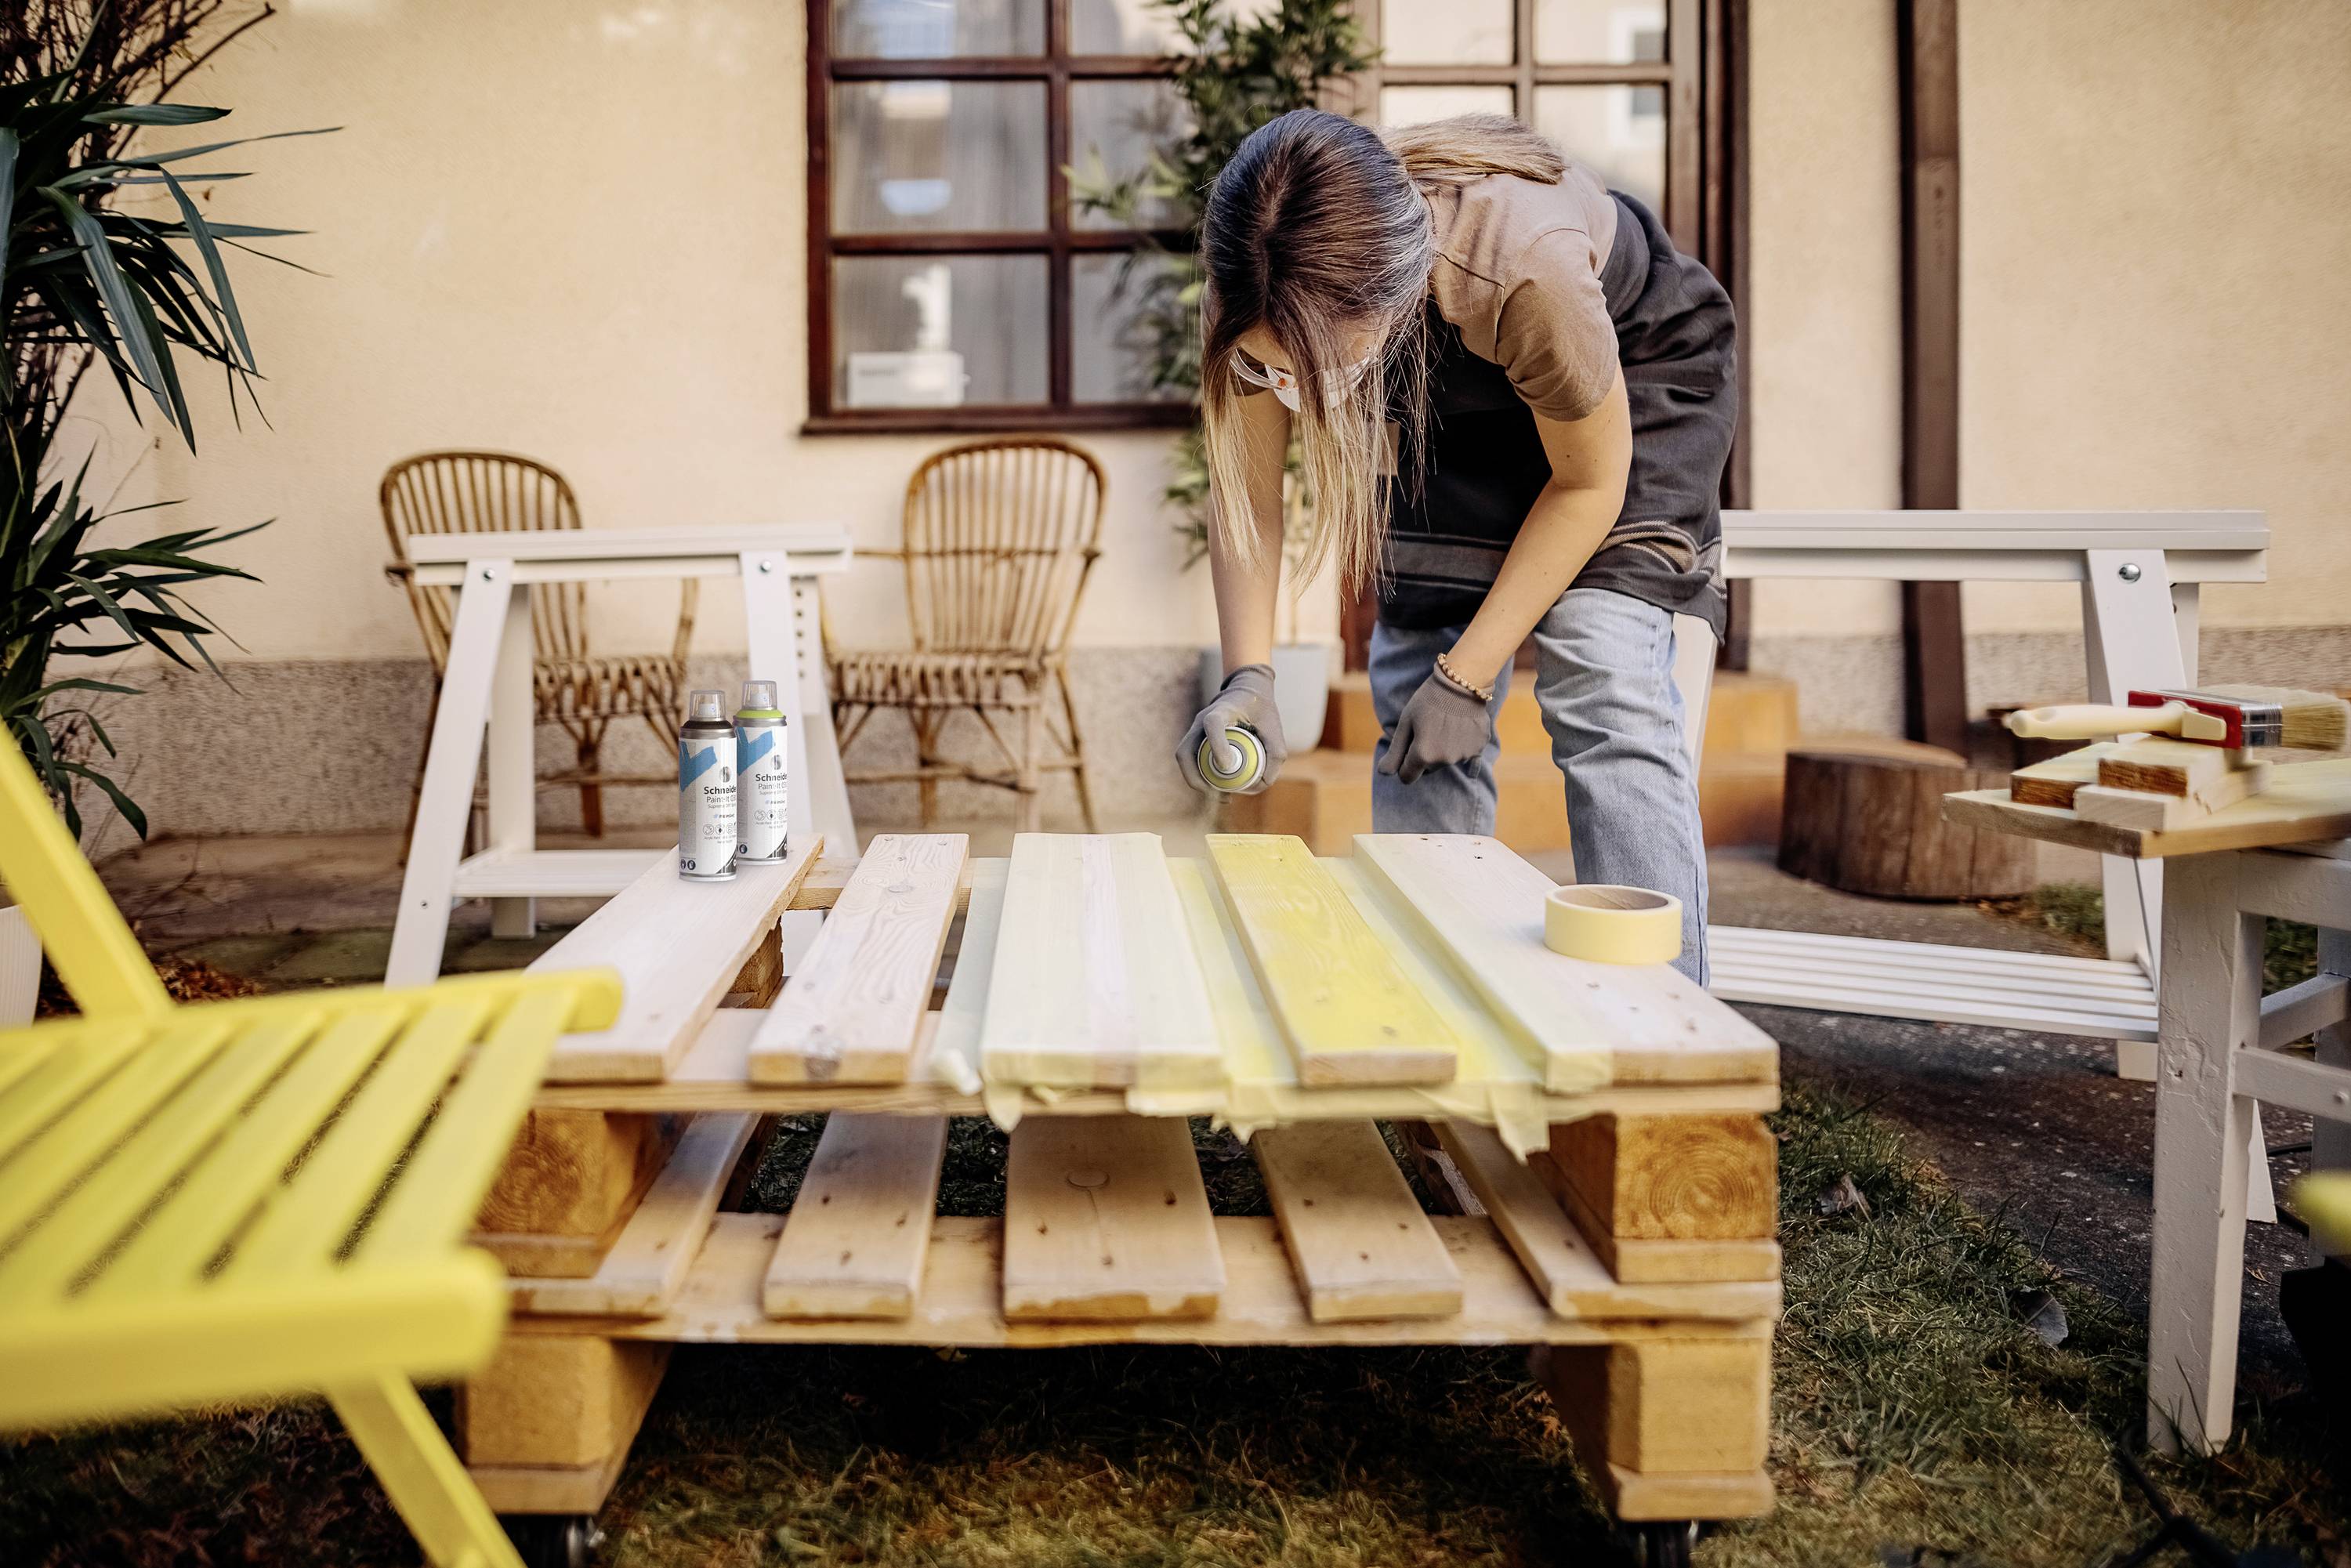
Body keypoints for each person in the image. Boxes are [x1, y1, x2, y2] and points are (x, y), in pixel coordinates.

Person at [1172, 108, 1736, 981]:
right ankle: (1434, 1002)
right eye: (1273, 369)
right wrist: (1248, 678)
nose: (1292, 392)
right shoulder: (1257, 281)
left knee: (1602, 667)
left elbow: (1586, 484)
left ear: (1390, 297)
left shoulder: (1523, 266)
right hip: (1455, 394)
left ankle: (1669, 1028)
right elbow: (1248, 498)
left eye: (1311, 372)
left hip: (1630, 378)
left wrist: (1468, 676)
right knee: (1417, 687)